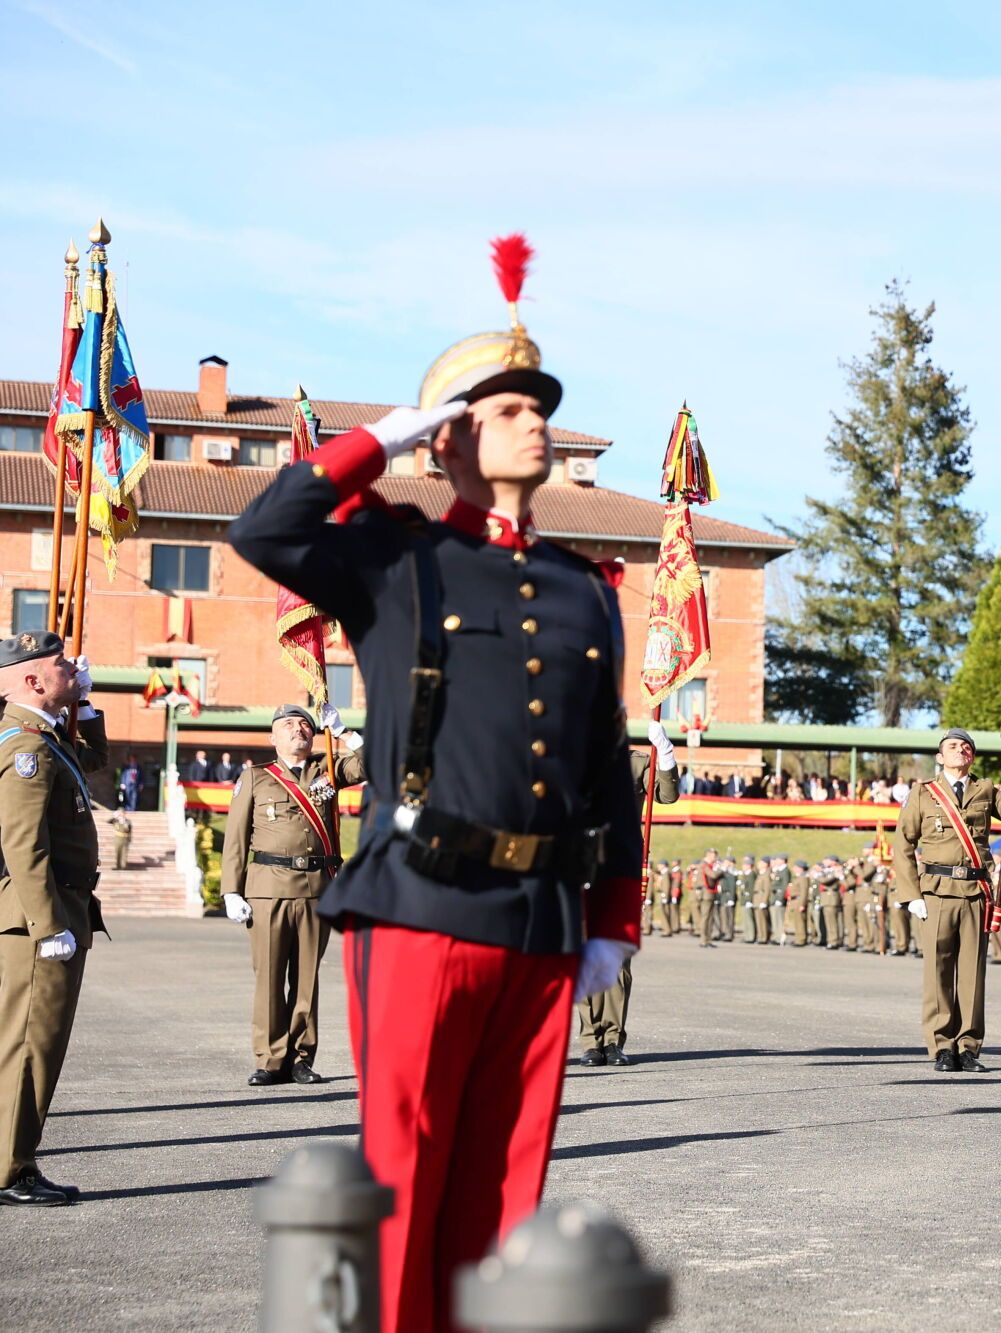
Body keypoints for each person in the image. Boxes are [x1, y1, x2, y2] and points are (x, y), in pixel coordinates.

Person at [227, 248, 644, 1331]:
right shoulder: (396, 561)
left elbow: (607, 761)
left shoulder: (582, 590)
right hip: (420, 901)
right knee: (403, 1173)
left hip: (544, 918)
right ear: (450, 435)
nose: (534, 421)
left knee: (508, 1191)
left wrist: (613, 917)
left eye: (540, 407)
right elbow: (263, 529)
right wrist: (383, 442)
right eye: (504, 408)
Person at [0, 633, 104, 1207]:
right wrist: (48, 925)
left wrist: (85, 705)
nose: (75, 667)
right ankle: (10, 1169)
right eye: (63, 665)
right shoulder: (27, 747)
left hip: (58, 907)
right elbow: (24, 845)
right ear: (33, 680)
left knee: (35, 1043)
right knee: (29, 1046)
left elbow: (94, 760)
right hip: (43, 915)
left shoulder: (45, 737)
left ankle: (13, 1159)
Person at [218, 703, 367, 1086]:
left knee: (306, 979)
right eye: (287, 724)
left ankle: (301, 1057)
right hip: (268, 890)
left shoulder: (328, 767)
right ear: (272, 737)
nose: (297, 729)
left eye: (304, 724)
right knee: (268, 976)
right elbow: (234, 839)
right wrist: (231, 890)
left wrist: (345, 731)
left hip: (318, 888)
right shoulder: (255, 778)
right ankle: (270, 1059)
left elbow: (374, 764)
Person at [892, 728, 1001, 1072]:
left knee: (973, 973)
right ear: (940, 757)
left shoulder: (985, 789)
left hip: (975, 892)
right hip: (937, 891)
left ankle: (968, 1046)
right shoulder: (923, 794)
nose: (962, 750)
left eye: (967, 747)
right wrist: (911, 894)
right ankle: (942, 1046)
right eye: (953, 747)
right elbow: (903, 845)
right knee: (938, 972)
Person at [578, 724, 680, 1069]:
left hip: (620, 869)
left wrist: (664, 755)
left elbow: (666, 796)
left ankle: (612, 1039)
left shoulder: (636, 763)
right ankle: (591, 1040)